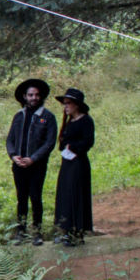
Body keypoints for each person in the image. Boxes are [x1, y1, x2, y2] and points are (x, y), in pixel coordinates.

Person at [5, 78, 57, 246]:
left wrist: (33, 158)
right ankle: (20, 231)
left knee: (35, 197)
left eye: (36, 95)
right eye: (30, 95)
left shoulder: (47, 117)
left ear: (41, 97)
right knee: (21, 198)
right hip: (18, 166)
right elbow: (10, 140)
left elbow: (50, 143)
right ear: (24, 97)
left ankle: (37, 232)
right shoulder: (18, 116)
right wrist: (14, 156)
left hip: (37, 166)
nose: (34, 98)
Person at [53, 88, 95, 246]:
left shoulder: (86, 121)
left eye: (69, 103)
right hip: (67, 163)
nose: (66, 106)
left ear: (77, 104)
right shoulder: (69, 121)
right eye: (65, 104)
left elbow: (88, 142)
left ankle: (77, 231)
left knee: (76, 195)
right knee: (65, 195)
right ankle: (65, 230)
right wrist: (65, 146)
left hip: (79, 163)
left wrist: (74, 147)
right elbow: (62, 141)